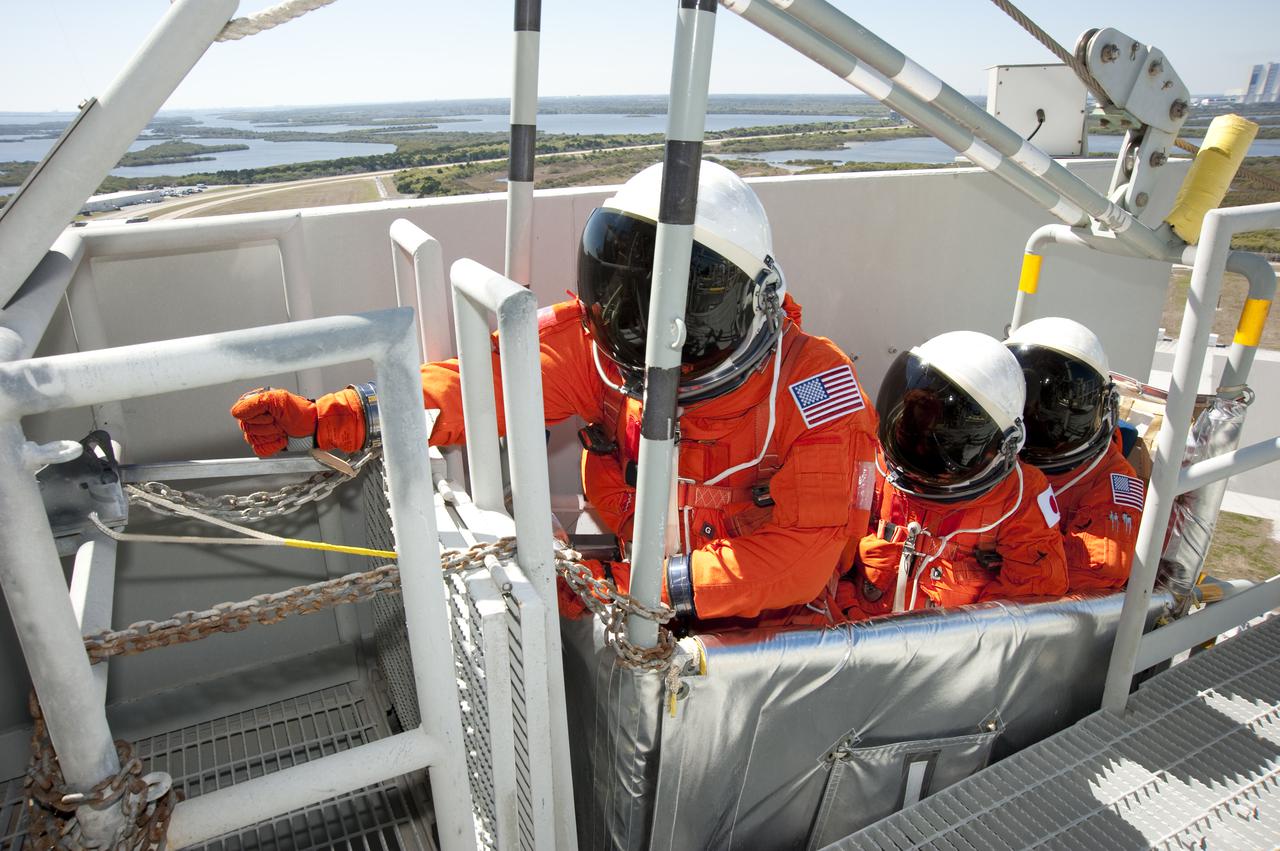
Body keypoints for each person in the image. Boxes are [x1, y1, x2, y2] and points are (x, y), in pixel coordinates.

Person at [232, 161, 879, 625]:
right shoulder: (605, 348)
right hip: (642, 592)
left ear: (745, 299)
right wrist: (337, 416)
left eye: (671, 304)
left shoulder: (812, 389)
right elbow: (481, 389)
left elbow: (800, 556)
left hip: (775, 623)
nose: (643, 331)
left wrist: (631, 589)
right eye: (630, 298)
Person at [841, 330, 1068, 618]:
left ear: (1003, 443)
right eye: (919, 416)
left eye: (948, 430)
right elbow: (831, 560)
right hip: (858, 633)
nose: (924, 439)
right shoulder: (877, 467)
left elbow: (1025, 609)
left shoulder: (1020, 498)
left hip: (953, 652)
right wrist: (851, 620)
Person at [1006, 317, 1140, 592]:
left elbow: (1093, 576)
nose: (1039, 415)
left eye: (1056, 403)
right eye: (1032, 402)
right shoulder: (996, 461)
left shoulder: (1114, 482)